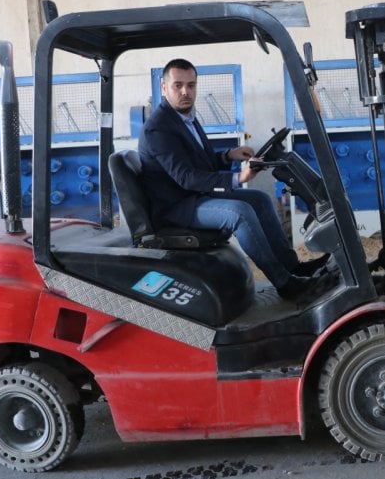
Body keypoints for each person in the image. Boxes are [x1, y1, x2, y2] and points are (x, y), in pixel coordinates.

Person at [138, 58, 332, 301]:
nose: (186, 92)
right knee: (239, 212)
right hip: (175, 206)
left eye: (191, 85)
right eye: (178, 85)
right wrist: (238, 177)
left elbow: (201, 163)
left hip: (194, 197)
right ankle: (285, 284)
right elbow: (186, 178)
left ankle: (292, 268)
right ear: (164, 88)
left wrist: (228, 155)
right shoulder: (158, 127)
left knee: (259, 199)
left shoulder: (186, 119)